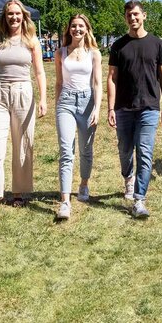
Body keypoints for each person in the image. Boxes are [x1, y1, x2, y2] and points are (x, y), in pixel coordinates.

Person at [0, 0, 47, 220]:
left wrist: (43, 99)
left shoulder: (31, 40)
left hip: (22, 94)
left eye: (17, 14)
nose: (14, 18)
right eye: (10, 14)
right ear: (4, 17)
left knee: (22, 144)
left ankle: (18, 192)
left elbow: (39, 72)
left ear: (23, 16)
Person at [107, 0, 162, 218]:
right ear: (125, 18)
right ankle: (128, 178)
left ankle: (139, 199)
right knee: (125, 150)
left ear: (144, 16)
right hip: (123, 107)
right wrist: (110, 108)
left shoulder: (157, 44)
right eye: (128, 15)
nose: (132, 18)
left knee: (145, 152)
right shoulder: (118, 45)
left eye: (135, 14)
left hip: (149, 108)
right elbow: (111, 78)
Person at [55, 14, 102, 220]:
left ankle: (83, 184)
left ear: (87, 29)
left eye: (81, 26)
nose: (77, 29)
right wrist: (57, 104)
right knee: (66, 151)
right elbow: (58, 82)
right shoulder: (61, 52)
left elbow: (98, 83)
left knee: (85, 149)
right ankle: (65, 201)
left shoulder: (94, 54)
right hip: (65, 102)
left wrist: (98, 109)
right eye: (73, 26)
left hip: (87, 102)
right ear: (69, 29)